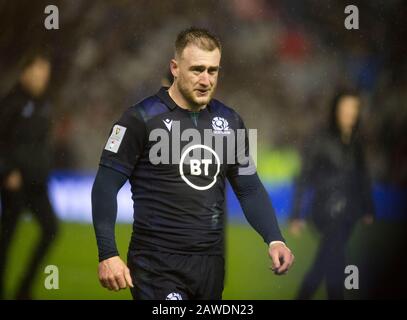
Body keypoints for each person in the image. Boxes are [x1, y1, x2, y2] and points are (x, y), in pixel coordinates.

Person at [91, 27, 294, 300]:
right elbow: (105, 184)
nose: (205, 79)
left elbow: (249, 188)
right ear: (175, 68)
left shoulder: (230, 122)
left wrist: (274, 238)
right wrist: (108, 253)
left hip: (209, 265)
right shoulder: (140, 118)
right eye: (197, 69)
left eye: (213, 70)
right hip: (156, 263)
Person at [289, 90, 375, 300]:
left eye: (354, 108)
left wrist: (368, 208)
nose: (349, 112)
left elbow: (362, 177)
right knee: (335, 260)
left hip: (349, 211)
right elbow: (303, 176)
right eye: (345, 107)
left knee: (325, 262)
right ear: (336, 109)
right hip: (326, 209)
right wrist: (297, 214)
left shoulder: (357, 142)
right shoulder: (321, 138)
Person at [0, 54, 59, 300]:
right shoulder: (11, 102)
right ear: (25, 72)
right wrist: (6, 170)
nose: (41, 78)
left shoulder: (45, 104)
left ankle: (24, 289)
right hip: (15, 182)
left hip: (37, 182)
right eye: (37, 72)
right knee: (7, 238)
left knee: (51, 229)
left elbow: (40, 143)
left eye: (45, 73)